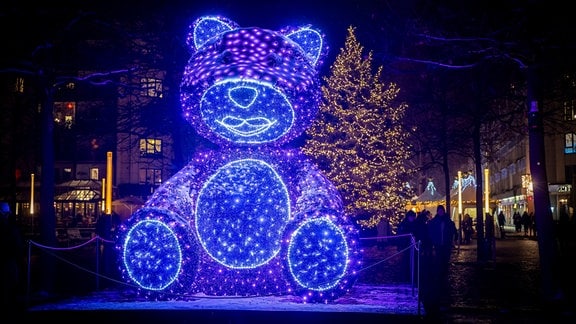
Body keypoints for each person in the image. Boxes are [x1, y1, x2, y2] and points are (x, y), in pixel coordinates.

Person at [421, 204, 457, 318]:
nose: (441, 212)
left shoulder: (447, 221)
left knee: (445, 259)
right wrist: (433, 240)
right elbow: (430, 231)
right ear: (438, 211)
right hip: (438, 244)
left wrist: (453, 239)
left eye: (442, 211)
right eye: (439, 211)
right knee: (439, 260)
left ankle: (444, 271)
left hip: (445, 244)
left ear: (443, 211)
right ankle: (440, 273)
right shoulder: (435, 221)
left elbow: (452, 230)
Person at [0, 202, 24, 312]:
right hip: (10, 258)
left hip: (8, 257)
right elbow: (17, 244)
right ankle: (10, 304)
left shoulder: (10, 228)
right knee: (11, 281)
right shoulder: (11, 228)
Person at [397, 210, 418, 282]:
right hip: (406, 245)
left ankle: (413, 276)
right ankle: (405, 276)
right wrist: (400, 245)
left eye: (413, 217)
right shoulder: (404, 224)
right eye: (411, 217)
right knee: (405, 261)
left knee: (414, 261)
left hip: (413, 245)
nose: (412, 218)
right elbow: (400, 235)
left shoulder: (415, 224)